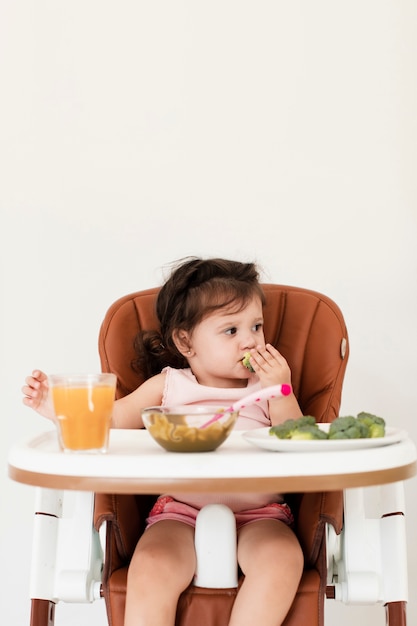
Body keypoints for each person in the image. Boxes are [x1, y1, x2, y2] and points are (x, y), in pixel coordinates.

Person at [22, 257, 305, 626]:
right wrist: (52, 406)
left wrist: (280, 390)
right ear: (186, 341)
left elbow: (299, 441)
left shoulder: (265, 389)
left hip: (261, 513)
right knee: (152, 566)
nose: (251, 340)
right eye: (231, 331)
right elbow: (111, 422)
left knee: (282, 560)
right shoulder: (169, 385)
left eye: (256, 326)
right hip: (179, 511)